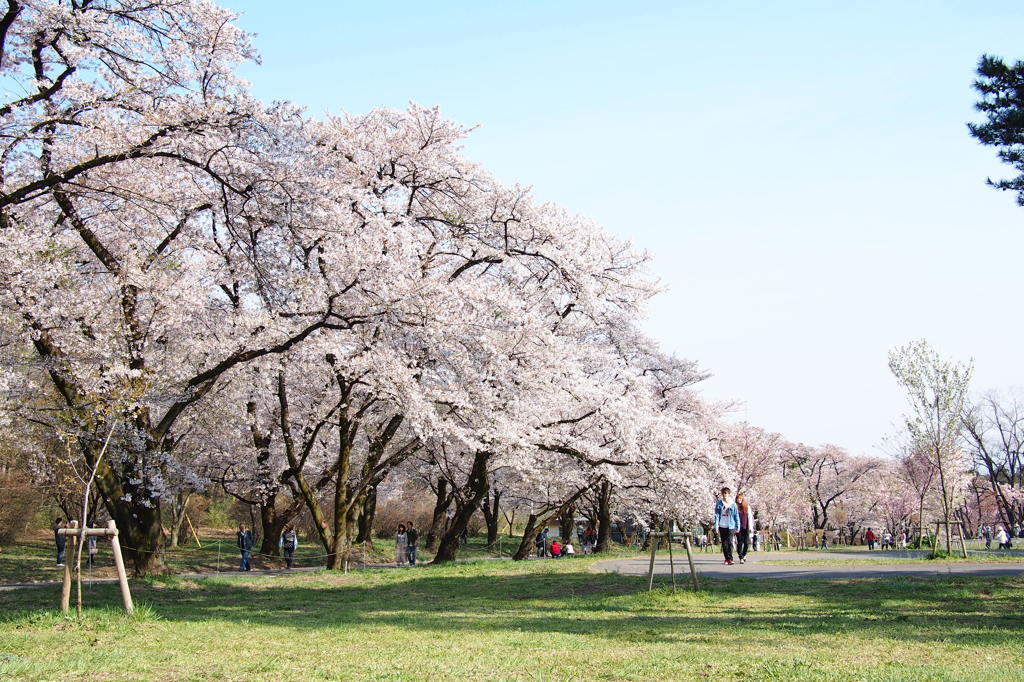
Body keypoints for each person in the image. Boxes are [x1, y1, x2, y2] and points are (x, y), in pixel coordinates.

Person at [714, 487, 739, 565]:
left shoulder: (733, 504)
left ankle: (730, 558)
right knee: (724, 543)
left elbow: (736, 516)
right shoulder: (719, 504)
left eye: (726, 493)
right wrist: (716, 526)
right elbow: (717, 516)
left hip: (731, 526)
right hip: (722, 525)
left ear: (729, 494)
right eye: (723, 493)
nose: (725, 495)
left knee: (730, 542)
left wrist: (738, 526)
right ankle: (726, 559)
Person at [735, 493, 754, 563]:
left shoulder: (747, 507)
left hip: (745, 527)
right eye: (738, 499)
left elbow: (749, 517)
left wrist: (751, 527)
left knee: (746, 543)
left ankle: (744, 554)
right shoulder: (735, 507)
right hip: (738, 527)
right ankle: (741, 557)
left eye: (740, 499)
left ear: (742, 499)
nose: (739, 500)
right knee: (739, 543)